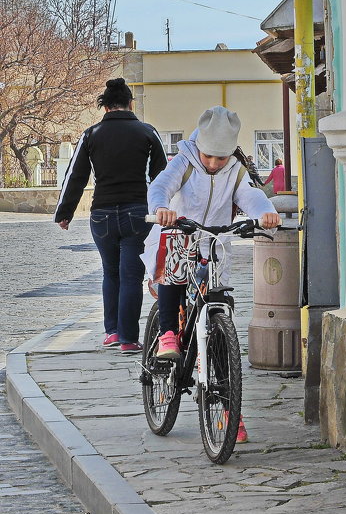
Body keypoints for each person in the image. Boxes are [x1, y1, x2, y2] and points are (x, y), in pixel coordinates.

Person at [143, 105, 280, 443]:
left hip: (216, 242)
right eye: (210, 156)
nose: (215, 163)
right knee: (173, 269)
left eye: (221, 157)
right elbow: (160, 186)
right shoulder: (185, 160)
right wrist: (162, 209)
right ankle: (168, 336)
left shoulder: (235, 169)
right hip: (180, 232)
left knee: (219, 324)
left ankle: (231, 409)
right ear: (199, 146)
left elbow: (251, 195)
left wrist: (266, 213)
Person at [54, 77, 167, 354]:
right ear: (131, 104)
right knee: (131, 276)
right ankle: (128, 339)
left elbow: (75, 176)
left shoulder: (91, 135)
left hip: (102, 214)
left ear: (104, 108)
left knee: (110, 272)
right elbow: (164, 177)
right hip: (137, 213)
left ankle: (112, 332)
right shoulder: (147, 132)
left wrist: (64, 212)